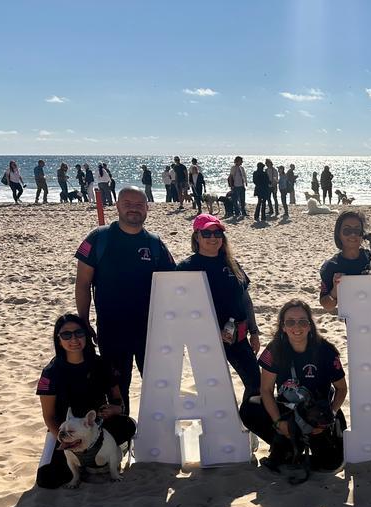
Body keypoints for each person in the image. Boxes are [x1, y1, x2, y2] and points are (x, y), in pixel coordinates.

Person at [74, 187, 175, 413]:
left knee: (159, 387)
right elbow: (82, 284)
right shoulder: (99, 238)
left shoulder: (154, 243)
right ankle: (123, 438)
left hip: (150, 332)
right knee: (117, 390)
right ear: (117, 205)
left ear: (147, 208)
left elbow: (175, 283)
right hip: (112, 331)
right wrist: (83, 321)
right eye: (128, 203)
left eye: (139, 204)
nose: (133, 209)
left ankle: (157, 438)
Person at [240, 300, 347, 472]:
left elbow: (342, 389)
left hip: (318, 415)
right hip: (287, 411)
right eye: (290, 322)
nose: (296, 327)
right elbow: (266, 391)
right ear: (282, 326)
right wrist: (278, 422)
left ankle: (299, 447)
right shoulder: (274, 349)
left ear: (310, 325)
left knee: (330, 463)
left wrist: (331, 415)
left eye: (302, 322)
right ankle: (286, 445)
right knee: (248, 408)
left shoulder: (325, 351)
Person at [35, 314, 137, 489]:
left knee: (127, 425)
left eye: (78, 333)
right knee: (48, 479)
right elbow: (49, 416)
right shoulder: (51, 372)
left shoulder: (101, 364)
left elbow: (119, 402)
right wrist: (65, 442)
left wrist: (115, 409)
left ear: (86, 336)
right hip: (67, 430)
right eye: (66, 335)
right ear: (58, 339)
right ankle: (84, 462)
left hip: (98, 425)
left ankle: (110, 455)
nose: (73, 339)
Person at [320, 210, 371, 418]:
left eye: (357, 230)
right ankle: (369, 422)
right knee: (366, 377)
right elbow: (326, 304)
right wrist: (335, 292)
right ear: (338, 234)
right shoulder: (331, 266)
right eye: (347, 230)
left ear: (363, 234)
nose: (352, 234)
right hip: (359, 329)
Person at [175, 214, 261, 398]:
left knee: (256, 385)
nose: (213, 238)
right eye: (206, 233)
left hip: (238, 338)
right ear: (197, 236)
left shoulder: (231, 263)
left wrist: (254, 332)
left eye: (217, 233)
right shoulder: (186, 268)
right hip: (207, 342)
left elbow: (245, 300)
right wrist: (211, 331)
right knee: (216, 393)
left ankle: (247, 420)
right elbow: (182, 311)